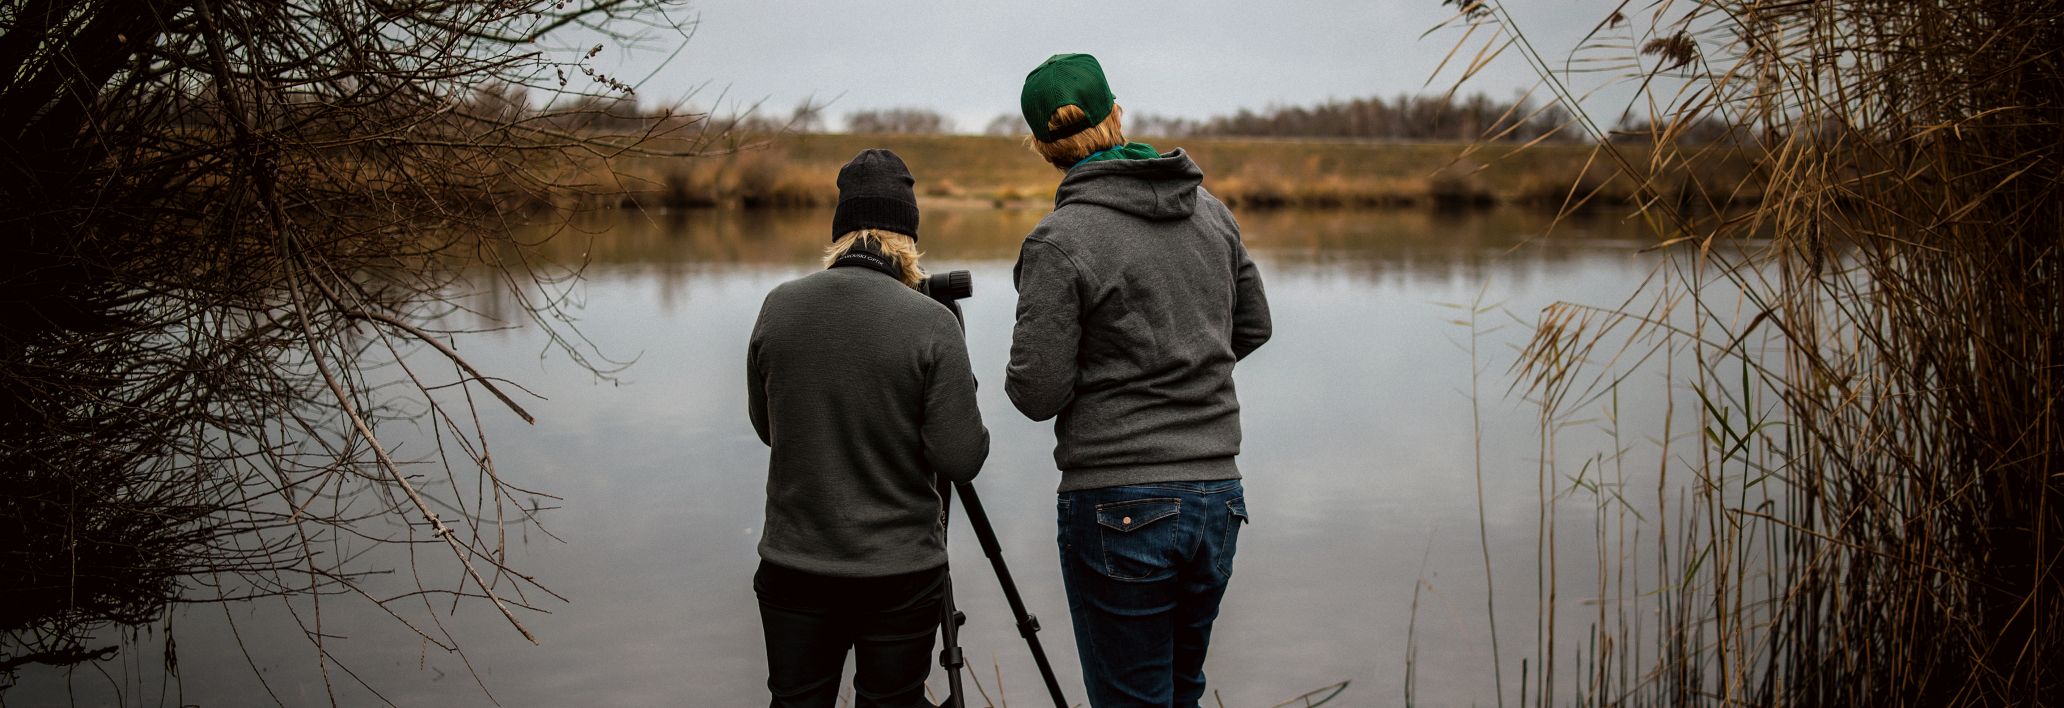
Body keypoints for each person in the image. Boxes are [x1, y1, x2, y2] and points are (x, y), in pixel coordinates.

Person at [1004, 53, 1273, 708]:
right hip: (1216, 496)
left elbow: (1037, 393)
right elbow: (1253, 326)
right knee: (1181, 690)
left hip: (1119, 502)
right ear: (1115, 113)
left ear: (1042, 146)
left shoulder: (1060, 240)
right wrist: (1184, 364)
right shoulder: (1209, 212)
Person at [746, 148, 990, 708]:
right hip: (898, 574)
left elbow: (769, 429)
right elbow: (961, 458)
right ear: (908, 234)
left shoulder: (777, 307)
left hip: (793, 566)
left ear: (840, 231)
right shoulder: (931, 322)